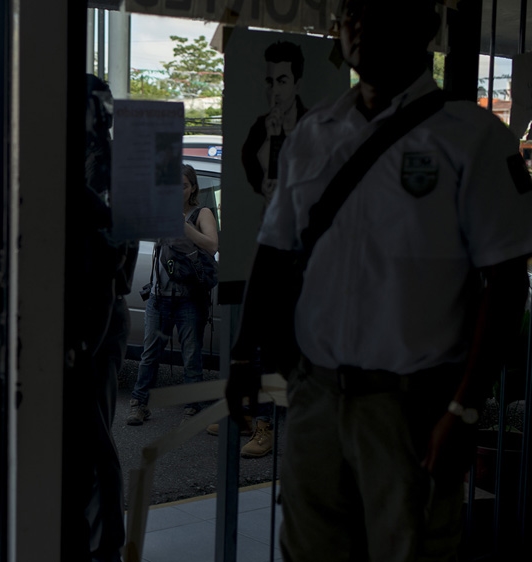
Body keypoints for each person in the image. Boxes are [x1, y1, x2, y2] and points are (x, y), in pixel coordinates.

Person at [226, 1, 532, 560]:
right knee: (307, 547)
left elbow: (508, 283)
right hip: (316, 396)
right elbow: (272, 251)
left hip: (411, 409)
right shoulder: (313, 131)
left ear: (424, 26)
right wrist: (245, 355)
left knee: (408, 547)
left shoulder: (472, 140)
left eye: (382, 5)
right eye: (353, 9)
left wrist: (464, 411)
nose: (363, 19)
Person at [126, 164, 218, 426]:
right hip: (159, 295)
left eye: (184, 186)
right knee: (150, 353)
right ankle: (139, 404)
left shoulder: (202, 213)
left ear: (193, 188)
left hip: (190, 297)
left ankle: (193, 407)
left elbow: (212, 245)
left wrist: (182, 226)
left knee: (191, 354)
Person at [240, 40, 308, 202]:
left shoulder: (314, 125)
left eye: (282, 81)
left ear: (297, 85)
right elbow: (252, 180)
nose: (274, 91)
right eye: (270, 82)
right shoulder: (258, 130)